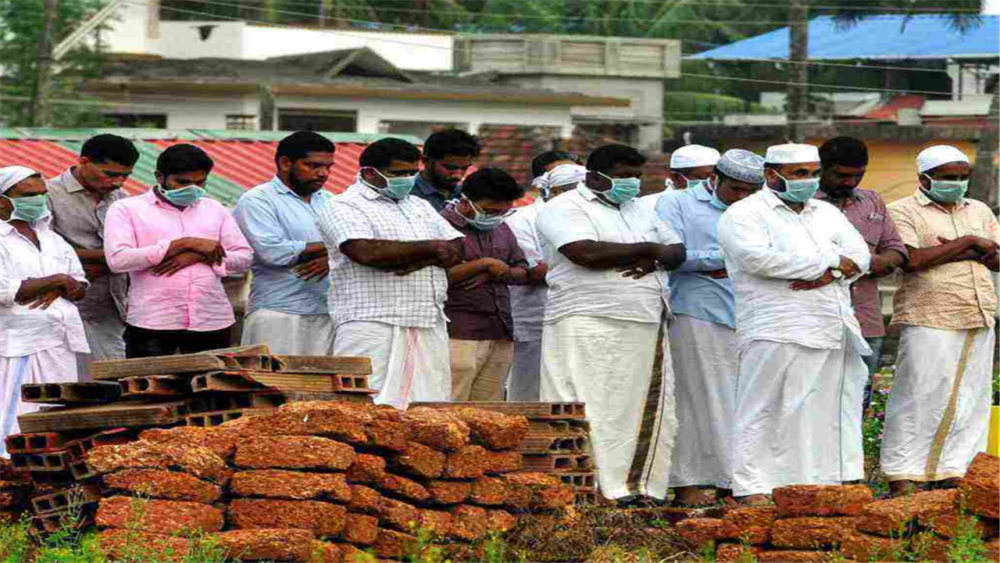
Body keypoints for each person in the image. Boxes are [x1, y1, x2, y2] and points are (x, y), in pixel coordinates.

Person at [718, 143, 871, 503]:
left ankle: (826, 481)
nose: (810, 180)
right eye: (800, 173)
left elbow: (861, 255)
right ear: (772, 175)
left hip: (832, 322)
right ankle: (753, 487)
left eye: (813, 172)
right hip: (777, 324)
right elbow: (758, 260)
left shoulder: (825, 212)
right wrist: (832, 263)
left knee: (827, 405)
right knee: (765, 406)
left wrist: (830, 270)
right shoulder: (745, 213)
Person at [535, 143, 686, 505]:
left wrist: (648, 254)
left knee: (634, 409)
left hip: (643, 318)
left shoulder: (640, 209)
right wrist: (649, 251)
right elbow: (585, 253)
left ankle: (634, 489)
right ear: (593, 176)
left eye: (636, 176)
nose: (632, 183)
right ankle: (589, 491)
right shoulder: (562, 207)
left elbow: (677, 252)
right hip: (584, 319)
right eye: (622, 176)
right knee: (586, 404)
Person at [881, 145, 999, 496]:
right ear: (924, 179)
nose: (958, 184)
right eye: (949, 178)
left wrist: (957, 249)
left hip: (977, 310)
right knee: (919, 394)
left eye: (963, 177)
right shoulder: (901, 211)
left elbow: (996, 257)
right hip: (929, 313)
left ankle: (955, 470)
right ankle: (903, 473)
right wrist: (969, 243)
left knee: (971, 396)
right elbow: (912, 259)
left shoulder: (978, 209)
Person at [317, 138, 464, 409]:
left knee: (429, 406)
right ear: (370, 173)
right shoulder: (343, 205)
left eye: (411, 173)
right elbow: (365, 252)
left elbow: (457, 248)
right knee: (363, 405)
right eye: (398, 174)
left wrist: (414, 257)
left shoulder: (417, 205)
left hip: (426, 318)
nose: (407, 179)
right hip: (372, 320)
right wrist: (431, 249)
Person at [657, 149, 765, 506]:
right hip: (696, 312)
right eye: (735, 189)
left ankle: (736, 482)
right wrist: (727, 259)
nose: (743, 198)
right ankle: (689, 485)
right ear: (714, 179)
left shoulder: (763, 207)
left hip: (754, 314)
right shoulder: (677, 203)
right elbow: (670, 254)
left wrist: (736, 262)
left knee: (747, 402)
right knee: (695, 401)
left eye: (751, 191)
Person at [103, 144, 253, 357]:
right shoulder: (127, 209)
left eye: (200, 182)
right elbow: (118, 260)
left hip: (211, 318)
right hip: (153, 321)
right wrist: (183, 244)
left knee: (211, 388)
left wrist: (199, 256)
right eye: (182, 182)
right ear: (159, 176)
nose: (192, 188)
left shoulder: (215, 209)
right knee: (150, 387)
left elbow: (245, 257)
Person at [0, 167, 89, 454]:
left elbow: (80, 283)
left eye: (41, 195)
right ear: (3, 200)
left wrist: (63, 285)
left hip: (61, 340)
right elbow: (3, 290)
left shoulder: (52, 238)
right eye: (28, 195)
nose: (37, 201)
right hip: (20, 344)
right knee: (16, 416)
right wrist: (55, 281)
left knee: (57, 412)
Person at [816, 137, 908, 411]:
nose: (850, 182)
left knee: (859, 401)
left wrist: (872, 262)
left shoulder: (872, 201)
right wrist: (869, 263)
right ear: (821, 168)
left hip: (866, 318)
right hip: (818, 320)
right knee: (817, 399)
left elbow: (896, 250)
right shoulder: (803, 204)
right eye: (842, 175)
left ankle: (852, 455)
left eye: (858, 175)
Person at [234, 132, 337, 355]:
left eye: (328, 167)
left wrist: (332, 256)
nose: (323, 173)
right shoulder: (258, 200)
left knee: (321, 387)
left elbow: (355, 250)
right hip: (278, 311)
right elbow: (273, 252)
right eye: (314, 165)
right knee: (272, 386)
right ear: (285, 163)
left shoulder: (331, 201)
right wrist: (336, 246)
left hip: (326, 310)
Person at [46, 134, 139, 379]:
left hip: (113, 302)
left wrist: (110, 261)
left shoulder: (121, 199)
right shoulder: (47, 195)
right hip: (63, 303)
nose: (118, 182)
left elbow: (133, 248)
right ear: (84, 161)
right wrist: (115, 258)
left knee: (111, 377)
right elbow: (44, 251)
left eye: (125, 175)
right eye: (110, 174)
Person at [442, 168, 540, 401]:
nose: (496, 216)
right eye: (489, 210)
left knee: (489, 413)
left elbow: (523, 271)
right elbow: (436, 276)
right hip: (457, 329)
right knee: (449, 407)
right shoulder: (440, 225)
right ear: (466, 202)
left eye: (503, 211)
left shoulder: (501, 227)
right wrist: (484, 264)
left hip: (500, 329)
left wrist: (494, 272)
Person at [506, 163, 586, 401]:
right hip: (534, 317)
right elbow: (532, 270)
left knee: (573, 389)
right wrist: (590, 260)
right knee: (528, 388)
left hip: (581, 314)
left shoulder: (586, 216)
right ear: (556, 192)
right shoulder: (522, 219)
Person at [412, 129, 481, 212]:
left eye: (464, 168)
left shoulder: (468, 196)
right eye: (450, 168)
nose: (458, 175)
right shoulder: (406, 194)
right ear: (426, 161)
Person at [639, 144, 720, 211]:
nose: (713, 183)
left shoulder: (724, 204)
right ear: (676, 177)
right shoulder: (649, 206)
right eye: (704, 177)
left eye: (718, 178)